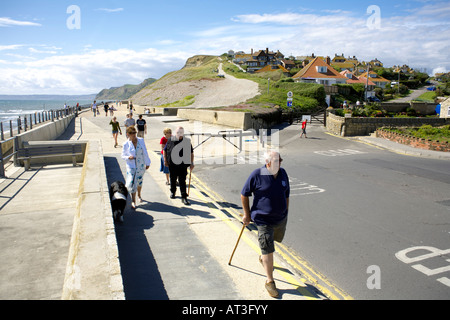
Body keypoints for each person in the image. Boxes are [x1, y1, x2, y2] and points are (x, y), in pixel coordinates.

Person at [241, 150, 290, 298]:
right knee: (268, 248)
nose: (279, 163)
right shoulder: (257, 174)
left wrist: (286, 211)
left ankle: (264, 258)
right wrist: (247, 214)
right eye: (276, 160)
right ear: (268, 163)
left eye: (280, 160)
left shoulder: (283, 174)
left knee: (271, 243)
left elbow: (286, 193)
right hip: (263, 220)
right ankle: (270, 281)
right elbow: (244, 194)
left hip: (280, 219)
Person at [121, 126, 151, 210]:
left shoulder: (141, 140)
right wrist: (128, 157)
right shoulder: (126, 144)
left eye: (135, 133)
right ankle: (133, 201)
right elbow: (122, 155)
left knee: (139, 181)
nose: (134, 135)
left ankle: (139, 195)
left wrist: (147, 162)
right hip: (131, 166)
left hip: (141, 165)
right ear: (128, 134)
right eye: (132, 133)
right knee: (131, 182)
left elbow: (145, 151)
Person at [164, 126, 194, 205]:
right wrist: (165, 160)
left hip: (182, 165)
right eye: (177, 133)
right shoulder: (170, 140)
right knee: (172, 179)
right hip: (172, 165)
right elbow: (165, 150)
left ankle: (184, 197)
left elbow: (191, 153)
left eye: (180, 133)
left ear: (183, 133)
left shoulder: (187, 141)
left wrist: (192, 163)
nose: (179, 134)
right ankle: (173, 192)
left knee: (182, 181)